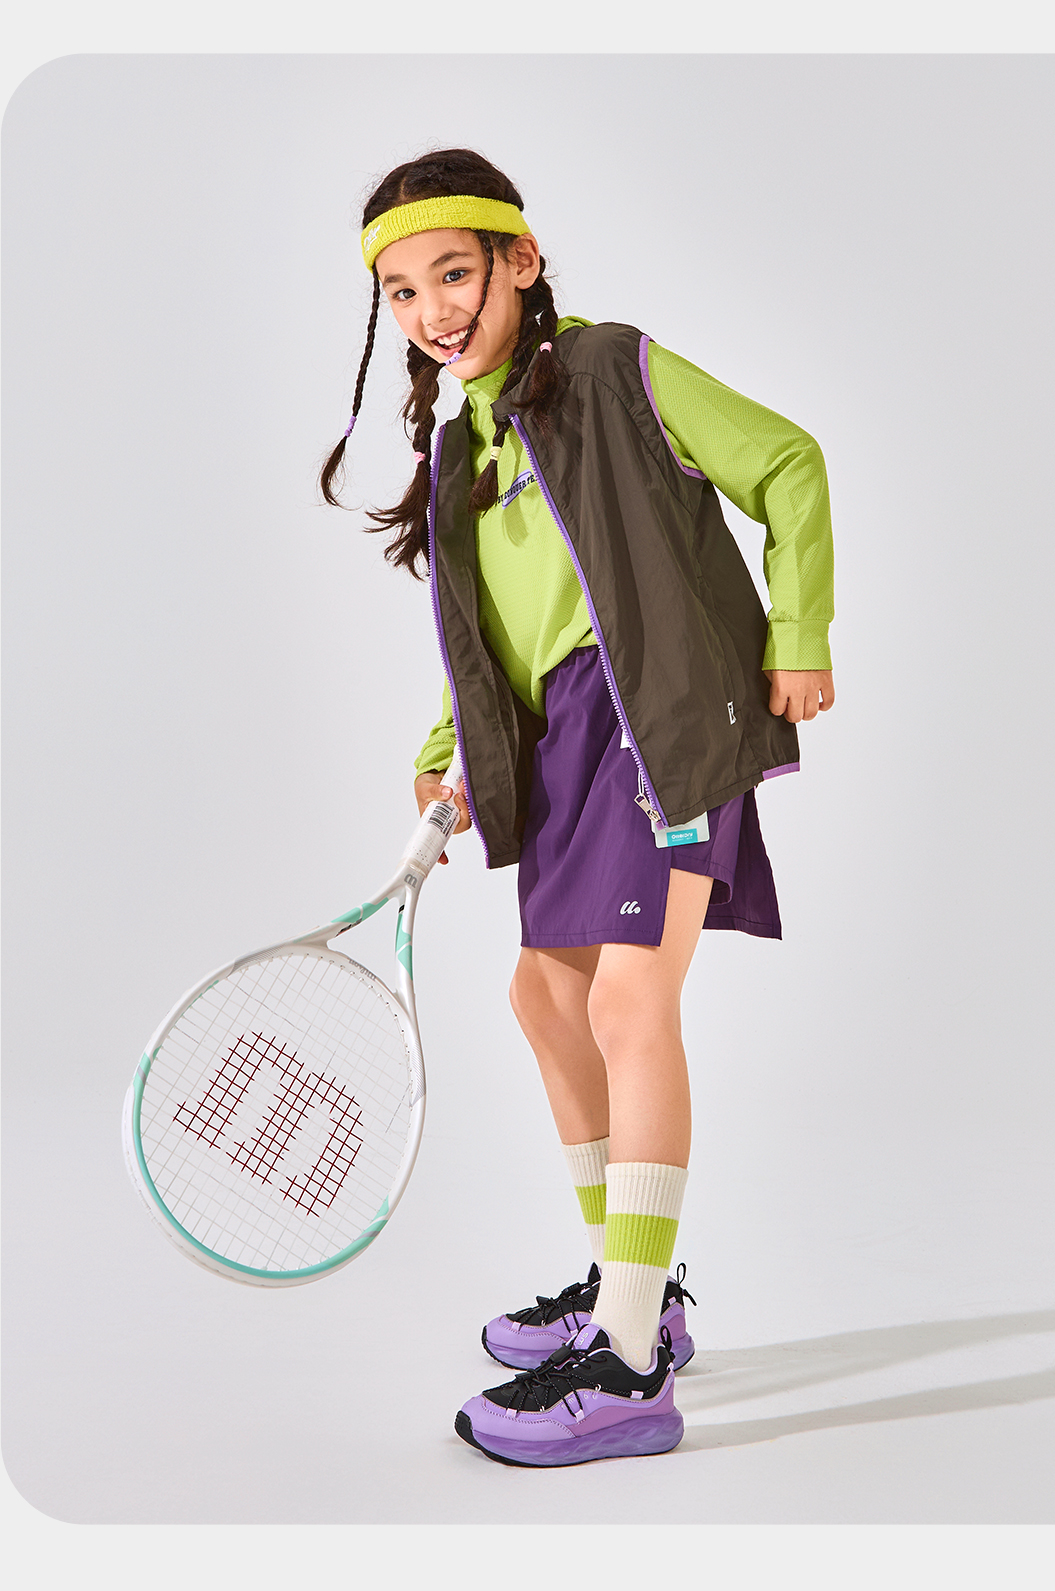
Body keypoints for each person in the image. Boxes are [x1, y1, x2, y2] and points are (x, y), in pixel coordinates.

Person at [321, 148, 835, 1467]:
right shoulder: (460, 446)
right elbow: (494, 625)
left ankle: (629, 1357)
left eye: (454, 273)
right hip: (561, 744)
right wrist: (448, 745)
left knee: (625, 1000)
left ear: (521, 260)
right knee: (543, 999)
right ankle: (634, 1283)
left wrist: (797, 634)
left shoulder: (615, 368)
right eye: (401, 291)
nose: (433, 310)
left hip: (656, 719)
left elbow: (787, 462)